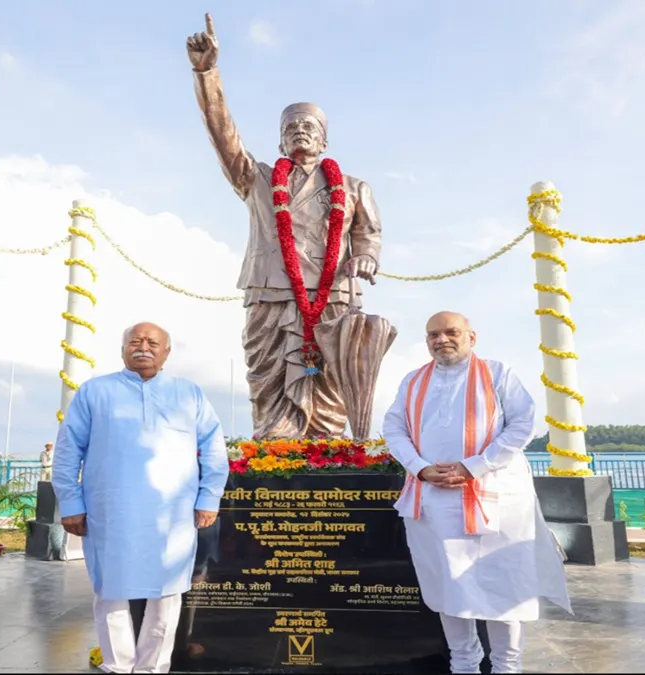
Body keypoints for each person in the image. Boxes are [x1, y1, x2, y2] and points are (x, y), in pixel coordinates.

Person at [187, 13, 384, 438]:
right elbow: (223, 136)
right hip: (270, 291)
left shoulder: (353, 188)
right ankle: (273, 449)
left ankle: (326, 451)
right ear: (279, 141)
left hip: (332, 293)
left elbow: (368, 235)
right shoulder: (256, 179)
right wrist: (207, 73)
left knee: (329, 381)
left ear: (324, 140)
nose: (299, 132)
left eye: (308, 127)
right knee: (267, 377)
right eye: (290, 128)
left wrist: (366, 257)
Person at [382, 312, 571, 674]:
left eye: (451, 332)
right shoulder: (413, 381)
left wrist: (475, 465)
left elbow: (523, 423)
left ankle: (506, 667)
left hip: (495, 500)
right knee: (447, 589)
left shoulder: (498, 373)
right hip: (433, 502)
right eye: (433, 334)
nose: (441, 339)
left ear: (472, 336)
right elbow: (394, 428)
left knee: (504, 591)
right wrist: (420, 466)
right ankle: (464, 664)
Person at [53, 322, 229, 674]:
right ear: (122, 351)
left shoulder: (189, 393)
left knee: (166, 594)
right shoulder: (94, 392)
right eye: (135, 342)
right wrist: (71, 504)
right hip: (110, 511)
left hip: (174, 514)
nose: (143, 347)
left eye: (152, 342)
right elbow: (68, 450)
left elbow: (213, 448)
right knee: (111, 590)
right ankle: (118, 665)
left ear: (166, 352)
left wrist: (209, 497)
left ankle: (154, 667)